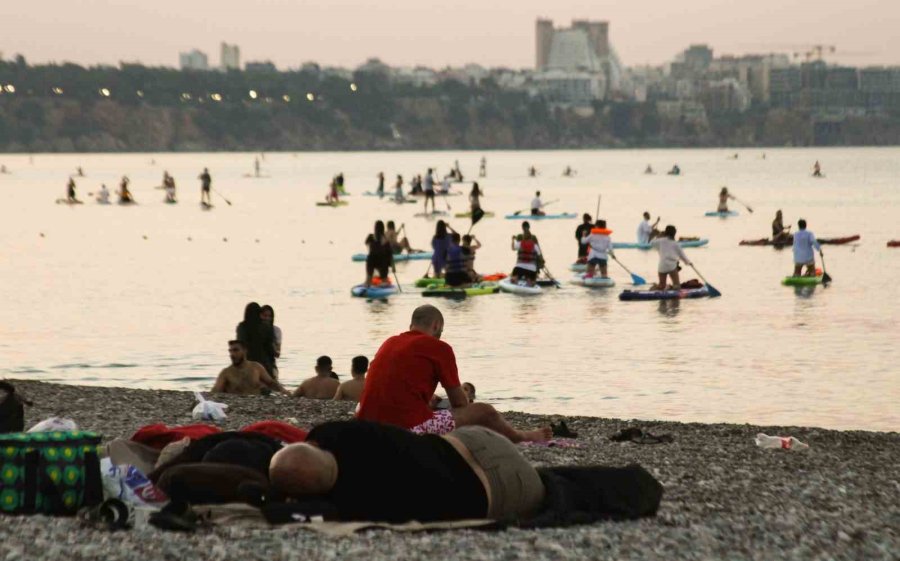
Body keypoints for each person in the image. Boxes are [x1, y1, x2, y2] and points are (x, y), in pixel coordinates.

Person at [269, 420, 546, 523]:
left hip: (506, 490)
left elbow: (297, 512)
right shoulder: (334, 432)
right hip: (475, 440)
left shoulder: (352, 505)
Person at [356, 305, 551, 443]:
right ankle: (522, 436)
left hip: (366, 424)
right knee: (484, 411)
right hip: (405, 429)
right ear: (436, 326)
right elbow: (460, 403)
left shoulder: (389, 342)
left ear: (411, 325)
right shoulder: (439, 347)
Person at [211, 340, 288, 395]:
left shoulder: (256, 367)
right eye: (230, 351)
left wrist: (284, 391)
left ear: (245, 351)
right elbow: (216, 391)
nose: (232, 354)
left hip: (257, 402)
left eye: (236, 350)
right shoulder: (226, 373)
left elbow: (271, 383)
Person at [236, 302, 276, 376]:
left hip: (247, 365)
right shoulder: (265, 327)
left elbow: (240, 346)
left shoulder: (242, 327)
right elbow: (270, 349)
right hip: (264, 366)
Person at [650, 225, 692, 290]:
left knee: (662, 285)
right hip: (671, 266)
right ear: (674, 233)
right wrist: (689, 263)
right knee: (677, 286)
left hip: (662, 266)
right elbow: (683, 256)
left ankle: (656, 288)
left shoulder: (660, 241)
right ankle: (671, 288)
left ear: (665, 233)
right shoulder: (676, 244)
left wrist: (659, 236)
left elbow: (651, 243)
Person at [364, 220, 394, 286]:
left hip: (373, 261)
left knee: (370, 257)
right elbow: (390, 254)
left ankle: (368, 281)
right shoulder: (385, 240)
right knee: (383, 258)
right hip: (382, 262)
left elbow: (367, 244)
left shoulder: (370, 237)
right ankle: (384, 280)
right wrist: (393, 267)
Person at [260, 305, 282, 378]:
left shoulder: (276, 330)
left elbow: (278, 354)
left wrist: (271, 343)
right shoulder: (255, 331)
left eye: (269, 316)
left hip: (270, 365)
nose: (267, 318)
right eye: (264, 315)